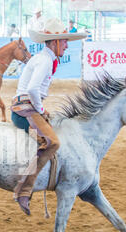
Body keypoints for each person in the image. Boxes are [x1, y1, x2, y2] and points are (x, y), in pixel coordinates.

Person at [11, 18, 87, 215]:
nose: (67, 45)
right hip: (26, 107)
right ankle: (24, 190)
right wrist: (41, 110)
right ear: (54, 42)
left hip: (25, 105)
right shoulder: (45, 60)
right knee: (53, 142)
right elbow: (33, 89)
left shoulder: (44, 58)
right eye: (64, 41)